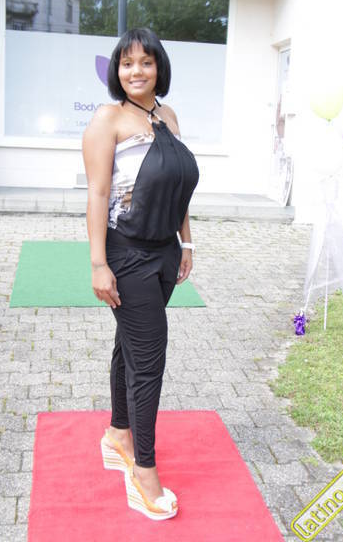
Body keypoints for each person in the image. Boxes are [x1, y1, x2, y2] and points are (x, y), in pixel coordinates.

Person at [82, 27, 199, 520]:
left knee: (128, 346)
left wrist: (186, 241)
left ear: (158, 68)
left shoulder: (168, 117)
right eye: (127, 63)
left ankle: (117, 434)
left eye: (146, 62)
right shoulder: (107, 119)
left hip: (165, 251)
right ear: (117, 69)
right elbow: (97, 194)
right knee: (149, 361)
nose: (136, 71)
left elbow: (178, 187)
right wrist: (98, 263)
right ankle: (144, 472)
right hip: (126, 253)